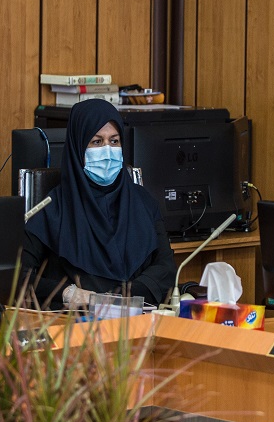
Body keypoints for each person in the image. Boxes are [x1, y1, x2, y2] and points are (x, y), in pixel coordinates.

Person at [21, 99, 176, 309]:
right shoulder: (53, 209)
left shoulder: (143, 202)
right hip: (76, 321)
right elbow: (20, 276)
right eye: (96, 142)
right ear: (78, 148)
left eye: (114, 141)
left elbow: (166, 267)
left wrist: (121, 297)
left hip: (137, 315)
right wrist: (67, 292)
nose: (108, 151)